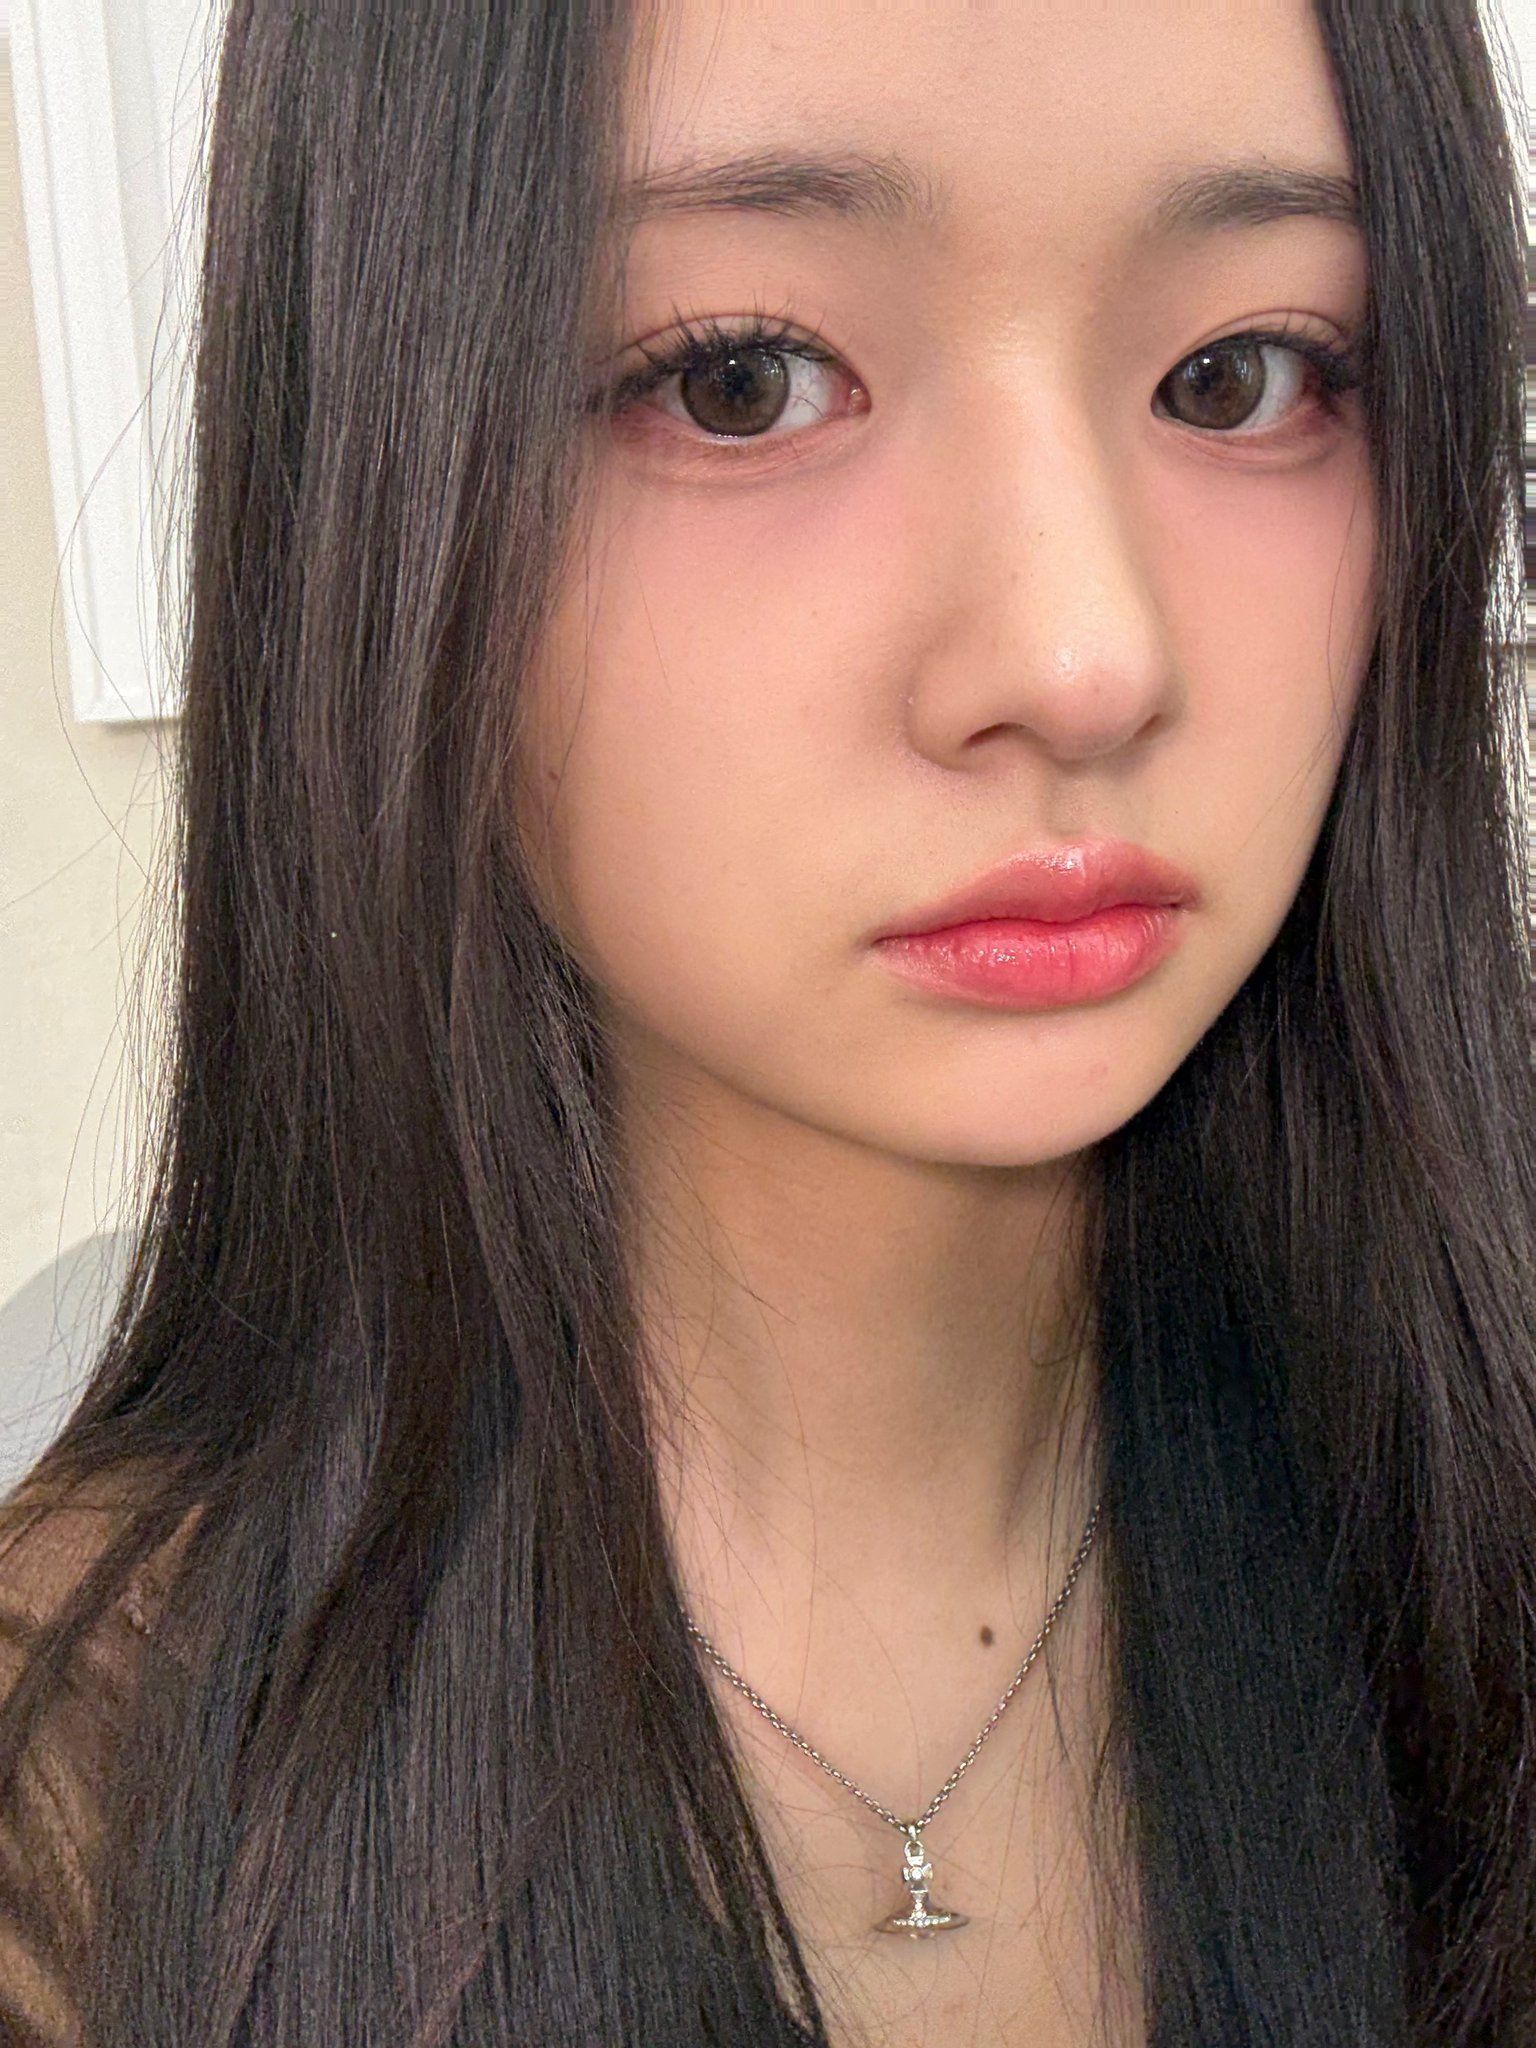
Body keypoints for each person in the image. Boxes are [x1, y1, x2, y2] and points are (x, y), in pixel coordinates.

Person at [1, 1, 1532, 2042]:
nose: (1086, 656)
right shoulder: (81, 1813)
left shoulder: (1466, 1539)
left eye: (1242, 374)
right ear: (381, 454)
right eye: (742, 382)